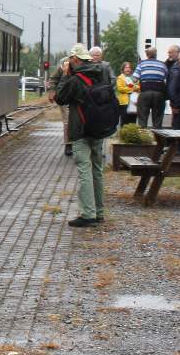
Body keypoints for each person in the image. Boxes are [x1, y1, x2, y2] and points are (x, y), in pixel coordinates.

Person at [55, 43, 116, 227]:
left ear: (75, 59)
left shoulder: (75, 80)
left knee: (84, 170)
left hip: (81, 129)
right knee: (97, 170)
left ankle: (88, 214)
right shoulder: (102, 72)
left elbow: (60, 98)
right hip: (99, 128)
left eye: (70, 60)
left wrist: (65, 75)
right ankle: (99, 212)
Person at [132, 48, 168, 128]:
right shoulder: (162, 64)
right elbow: (166, 76)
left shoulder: (141, 64)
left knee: (142, 117)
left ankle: (143, 133)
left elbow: (134, 79)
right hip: (159, 94)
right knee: (158, 117)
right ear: (156, 54)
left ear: (147, 55)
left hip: (145, 93)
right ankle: (158, 135)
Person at [115, 62, 139, 126]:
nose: (128, 69)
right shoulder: (120, 78)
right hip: (124, 102)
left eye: (129, 67)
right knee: (124, 121)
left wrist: (134, 88)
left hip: (134, 102)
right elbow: (121, 89)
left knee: (133, 121)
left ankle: (132, 135)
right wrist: (132, 89)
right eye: (126, 67)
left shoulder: (134, 78)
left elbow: (139, 87)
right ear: (123, 69)